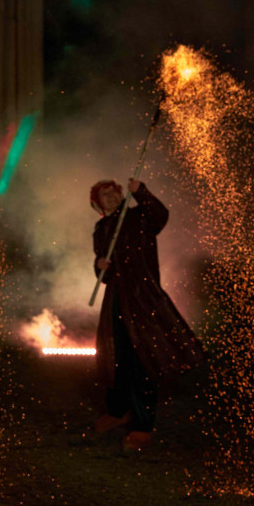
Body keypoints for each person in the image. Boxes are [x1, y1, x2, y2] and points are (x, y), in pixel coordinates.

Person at [90, 178, 206, 451]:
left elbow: (160, 216)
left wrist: (141, 192)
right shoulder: (102, 227)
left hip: (142, 296)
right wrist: (100, 266)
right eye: (104, 194)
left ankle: (142, 425)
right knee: (115, 356)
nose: (110, 196)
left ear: (121, 194)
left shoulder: (140, 216)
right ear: (97, 204)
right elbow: (103, 273)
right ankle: (118, 411)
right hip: (117, 297)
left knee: (141, 358)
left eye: (114, 191)